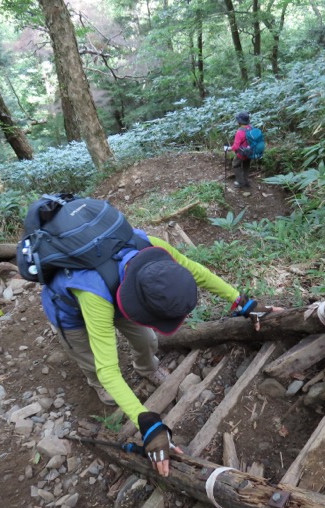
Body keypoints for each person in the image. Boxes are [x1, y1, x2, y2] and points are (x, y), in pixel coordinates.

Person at [39, 223, 258, 477]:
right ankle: (94, 383)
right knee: (90, 358)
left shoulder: (152, 248)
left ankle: (146, 367)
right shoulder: (94, 296)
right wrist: (147, 423)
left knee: (146, 340)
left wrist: (242, 302)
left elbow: (197, 271)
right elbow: (108, 369)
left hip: (120, 290)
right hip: (72, 311)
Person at [226, 111, 254, 188]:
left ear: (239, 121)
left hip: (241, 154)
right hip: (250, 152)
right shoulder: (252, 128)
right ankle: (246, 181)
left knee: (235, 164)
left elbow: (236, 147)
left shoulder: (240, 132)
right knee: (246, 166)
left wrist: (228, 148)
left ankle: (240, 182)